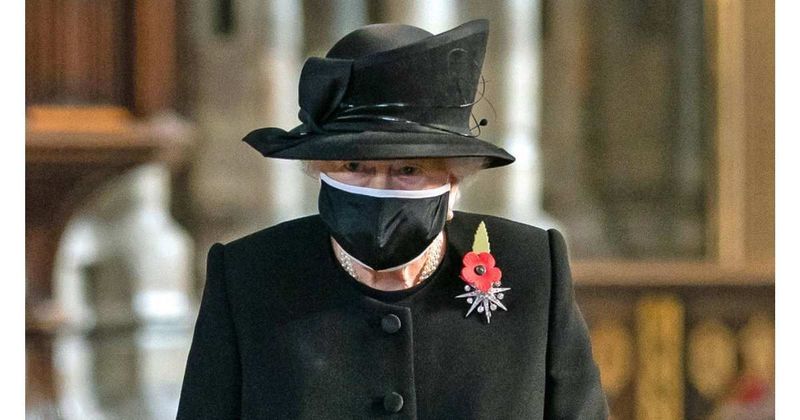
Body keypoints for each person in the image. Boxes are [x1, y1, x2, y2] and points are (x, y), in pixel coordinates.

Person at [177, 19, 608, 419]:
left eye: (408, 170)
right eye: (354, 167)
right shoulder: (250, 276)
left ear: (454, 181)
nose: (378, 188)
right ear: (320, 171)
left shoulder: (531, 267)